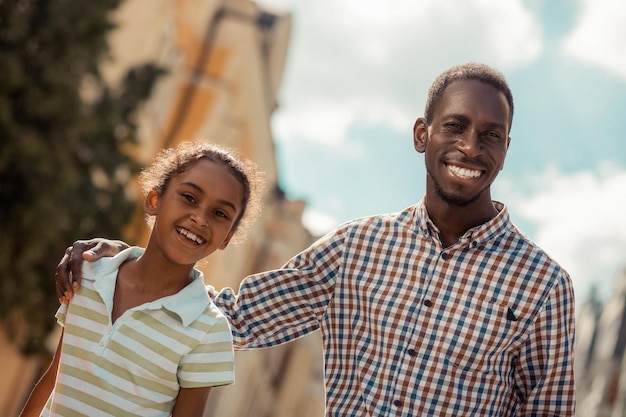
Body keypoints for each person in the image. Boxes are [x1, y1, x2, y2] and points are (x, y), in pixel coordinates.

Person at [55, 63, 576, 416]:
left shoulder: (544, 285)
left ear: (506, 147)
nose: (470, 147)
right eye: (455, 126)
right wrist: (124, 266)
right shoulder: (358, 248)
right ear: (422, 134)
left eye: (491, 135)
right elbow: (228, 317)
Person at [22, 142, 264, 417]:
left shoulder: (209, 331)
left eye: (220, 214)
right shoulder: (87, 274)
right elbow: (56, 375)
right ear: (154, 201)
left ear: (227, 237)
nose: (200, 218)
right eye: (189, 197)